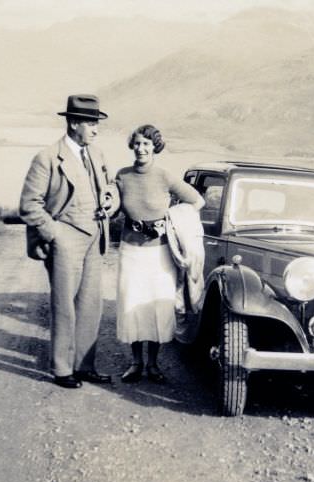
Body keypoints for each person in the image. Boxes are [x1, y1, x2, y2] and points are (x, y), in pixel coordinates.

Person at [19, 94, 119, 389]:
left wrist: (111, 201)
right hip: (66, 239)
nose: (96, 129)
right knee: (64, 305)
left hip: (96, 237)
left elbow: (110, 185)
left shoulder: (97, 154)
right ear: (74, 123)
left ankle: (84, 365)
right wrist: (55, 234)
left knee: (91, 305)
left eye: (96, 123)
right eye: (91, 123)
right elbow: (29, 205)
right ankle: (62, 369)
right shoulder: (47, 158)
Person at [116, 124, 204, 383]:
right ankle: (135, 363)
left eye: (147, 144)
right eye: (138, 143)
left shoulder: (165, 176)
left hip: (160, 255)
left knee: (156, 305)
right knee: (132, 304)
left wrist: (171, 220)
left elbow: (197, 201)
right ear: (132, 146)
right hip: (130, 252)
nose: (141, 149)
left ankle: (153, 365)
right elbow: (111, 203)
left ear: (155, 147)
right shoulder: (122, 176)